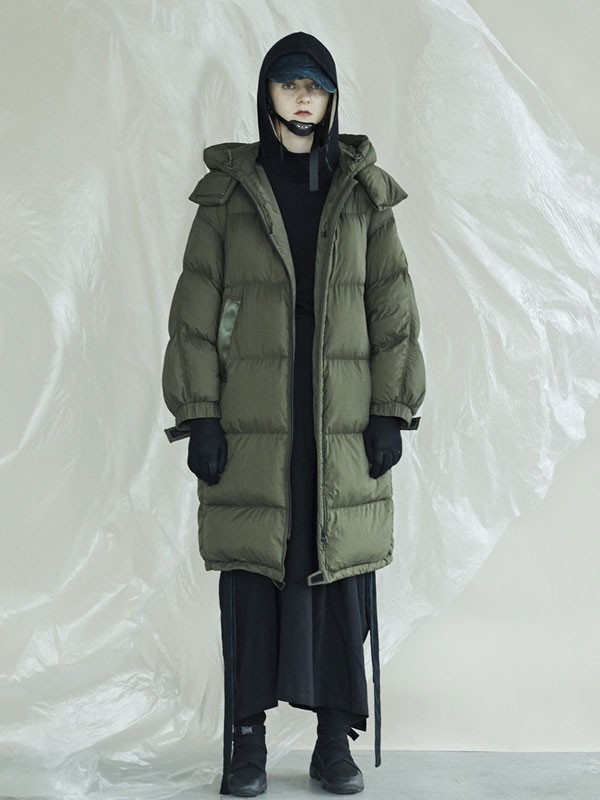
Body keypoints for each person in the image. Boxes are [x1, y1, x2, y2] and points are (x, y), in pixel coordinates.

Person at [162, 31, 426, 797]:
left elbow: (394, 309)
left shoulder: (364, 194)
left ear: (332, 98)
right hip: (254, 418)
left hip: (341, 421)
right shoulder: (229, 196)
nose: (303, 98)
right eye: (289, 84)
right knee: (253, 573)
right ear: (267, 94)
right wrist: (200, 414)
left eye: (315, 86)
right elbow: (196, 311)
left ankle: (333, 741)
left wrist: (391, 409)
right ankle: (246, 741)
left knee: (338, 571)